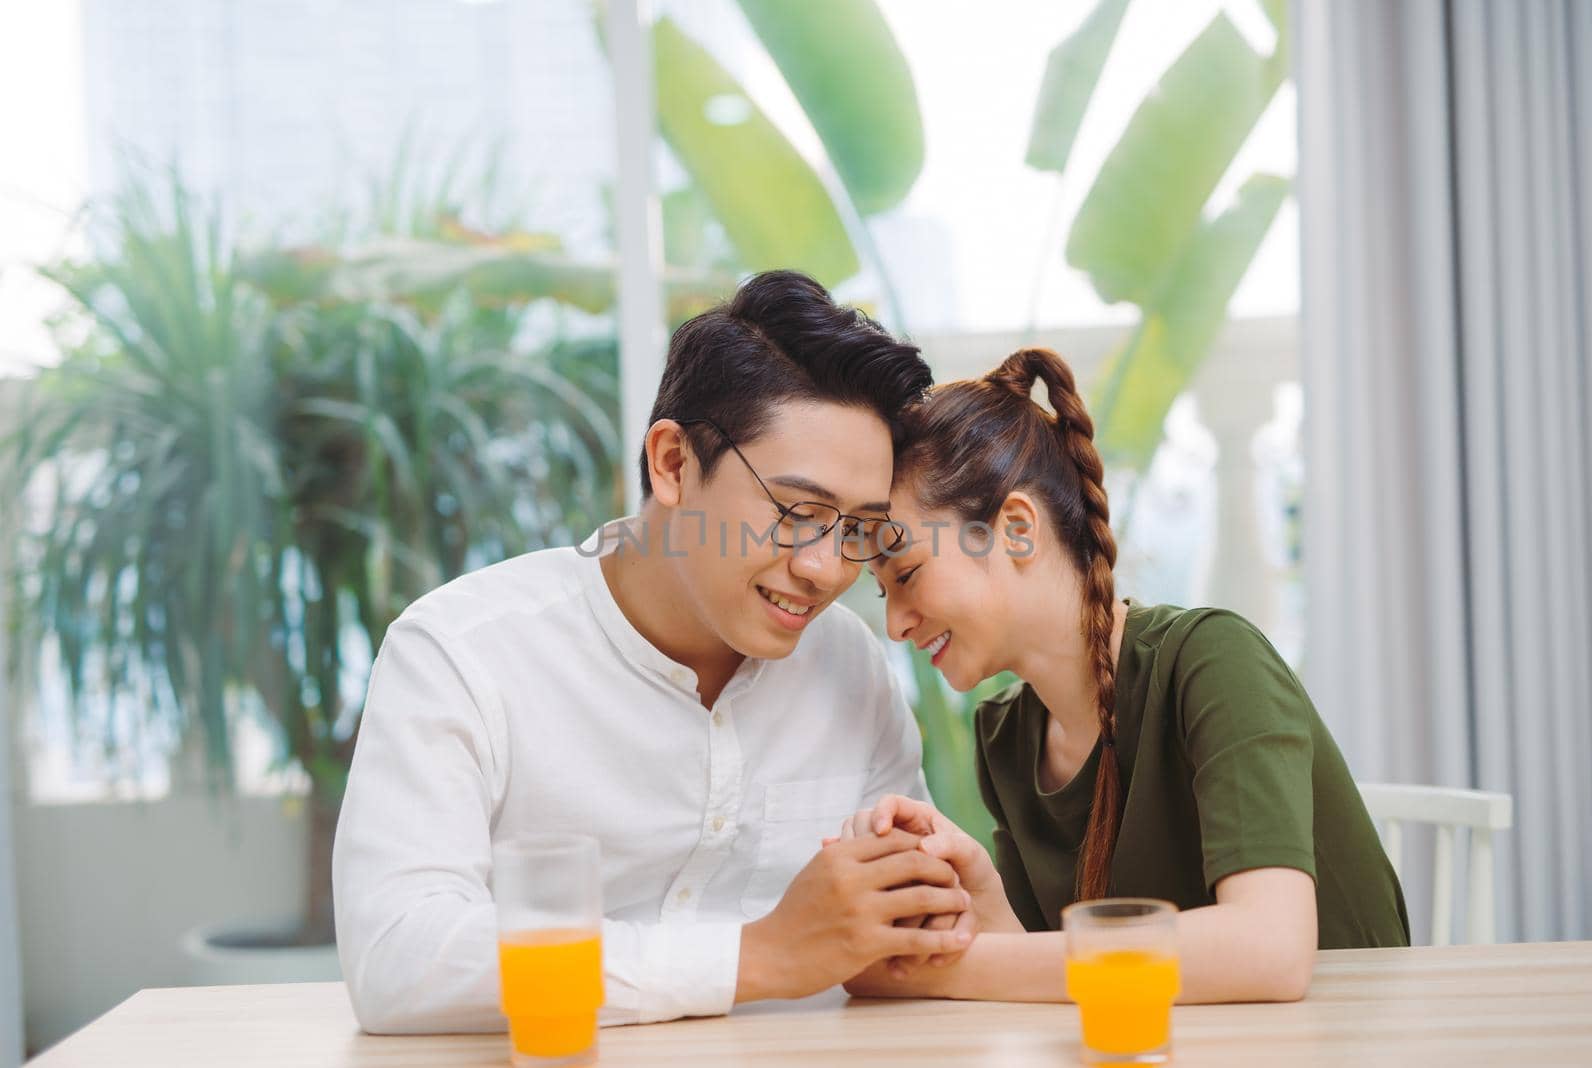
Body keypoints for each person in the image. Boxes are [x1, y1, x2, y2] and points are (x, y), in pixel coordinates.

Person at [332, 270, 974, 1033]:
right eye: (799, 512)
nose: (825, 568)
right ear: (672, 463)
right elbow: (399, 957)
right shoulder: (462, 655)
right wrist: (756, 957)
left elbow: (915, 932)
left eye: (859, 529)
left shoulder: (851, 667)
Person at [838, 346, 1409, 1005]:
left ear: (1018, 530)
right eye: (884, 592)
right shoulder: (1007, 741)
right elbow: (1062, 978)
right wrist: (984, 896)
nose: (897, 624)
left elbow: (1270, 951)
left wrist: (940, 971)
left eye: (906, 573)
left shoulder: (1215, 663)